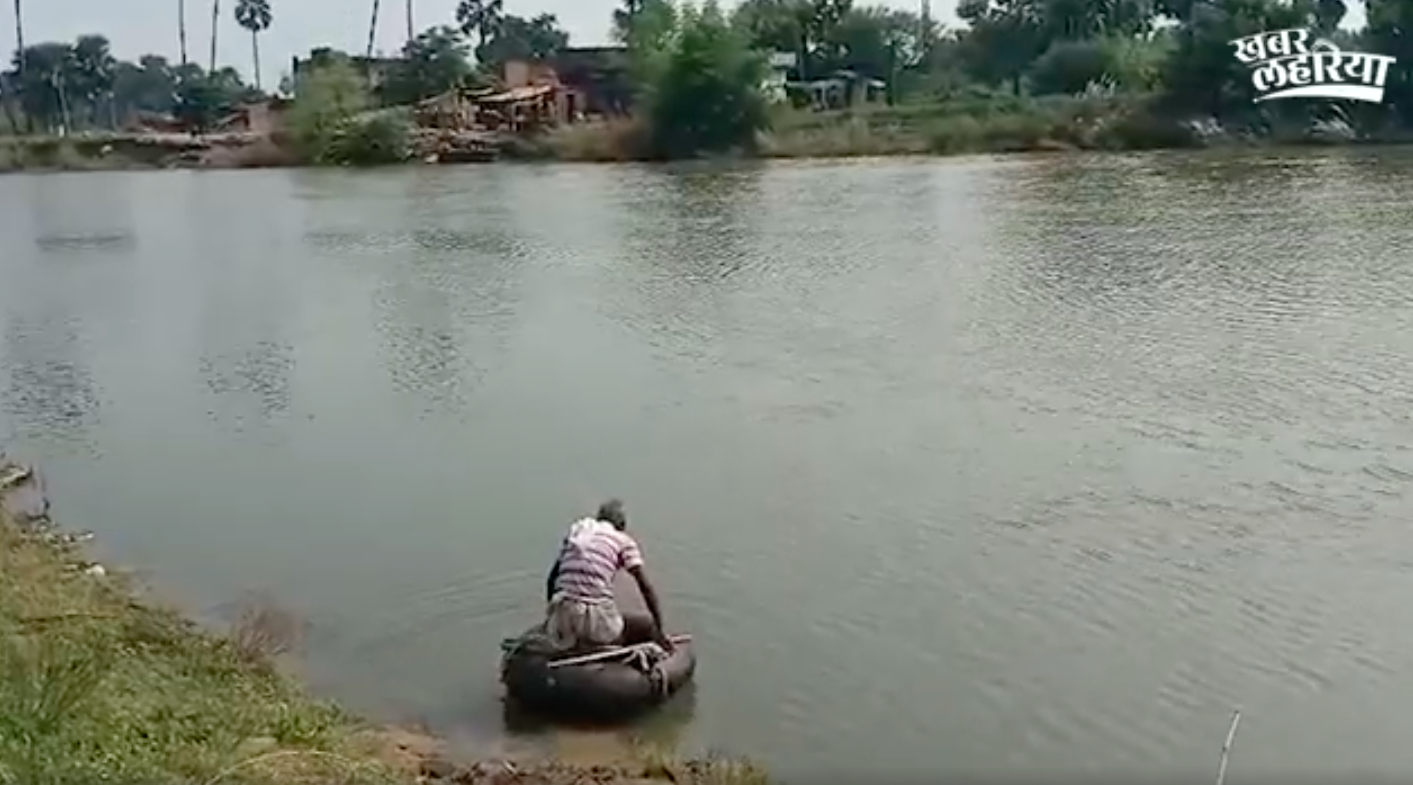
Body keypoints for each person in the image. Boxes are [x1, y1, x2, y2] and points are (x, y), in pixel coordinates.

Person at [543, 499, 673, 654]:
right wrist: (659, 630)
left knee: (571, 627)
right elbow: (645, 587)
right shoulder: (622, 540)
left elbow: (552, 579)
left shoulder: (578, 532)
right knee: (641, 627)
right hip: (594, 616)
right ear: (622, 525)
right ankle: (608, 654)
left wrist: (551, 615)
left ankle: (572, 646)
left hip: (563, 611)